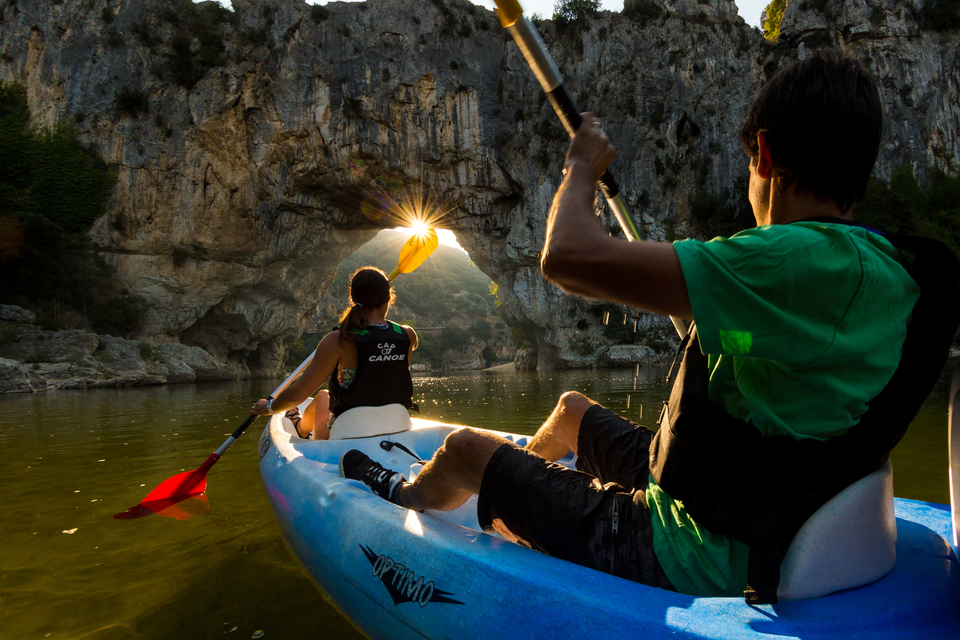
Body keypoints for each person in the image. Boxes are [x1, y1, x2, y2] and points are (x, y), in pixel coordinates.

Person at [340, 52, 957, 600]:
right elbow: (790, 352)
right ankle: (526, 487)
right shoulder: (892, 271)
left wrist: (579, 169)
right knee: (573, 409)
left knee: (462, 451)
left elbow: (566, 258)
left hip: (700, 544)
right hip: (753, 488)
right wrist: (706, 322)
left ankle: (409, 495)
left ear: (764, 155)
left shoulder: (785, 259)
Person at [251, 266, 418, 440]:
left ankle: (301, 428)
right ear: (388, 298)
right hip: (397, 427)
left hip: (349, 433)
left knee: (323, 396)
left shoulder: (339, 339)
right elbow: (387, 377)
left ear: (353, 299)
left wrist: (270, 407)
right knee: (325, 396)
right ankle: (301, 427)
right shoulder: (407, 335)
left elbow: (297, 394)